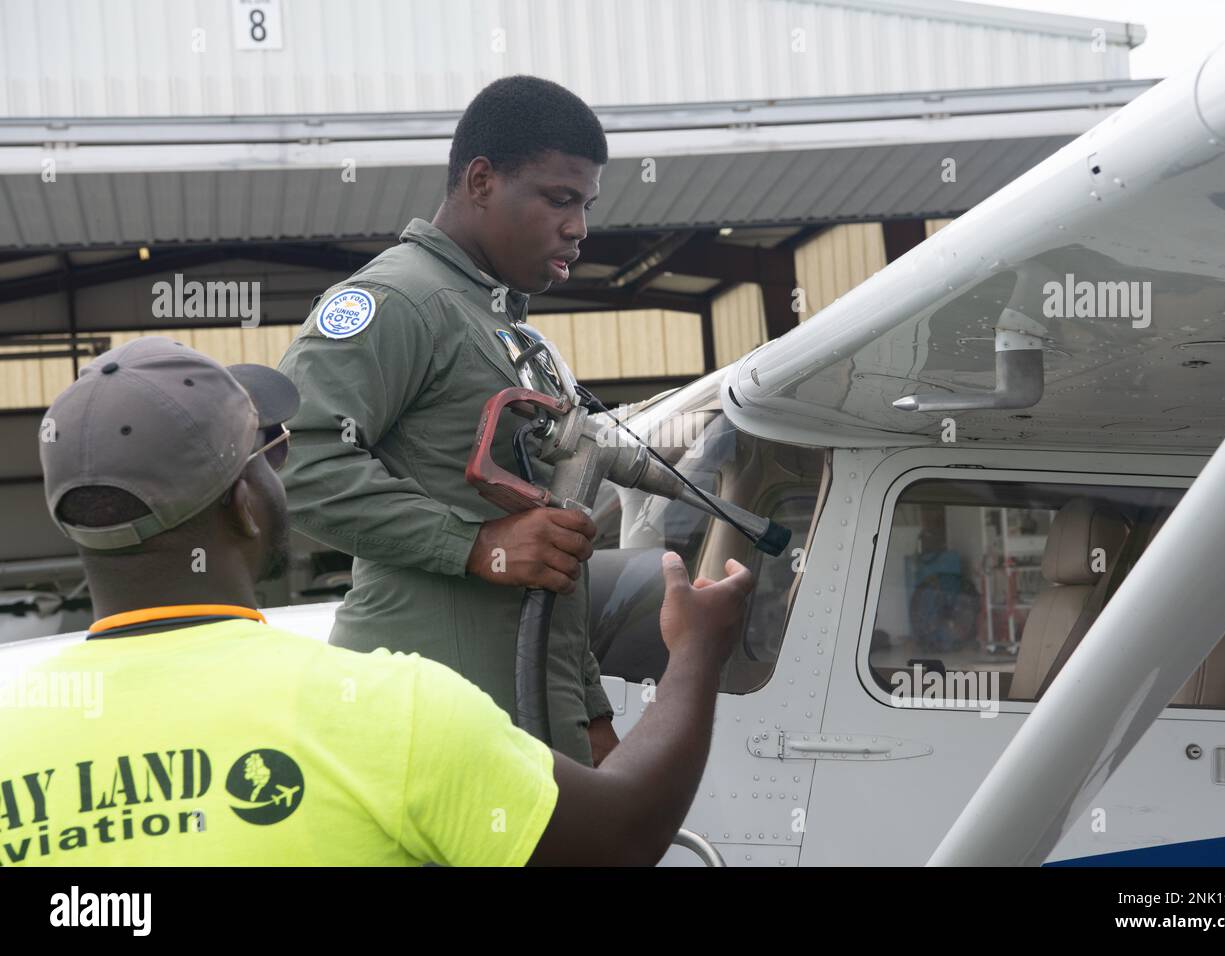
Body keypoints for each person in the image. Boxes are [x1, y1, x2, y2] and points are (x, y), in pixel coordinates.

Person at [4, 337, 752, 866]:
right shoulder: (388, 710)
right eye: (275, 455)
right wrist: (695, 654)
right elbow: (620, 838)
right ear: (246, 505)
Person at [277, 75, 619, 765]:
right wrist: (474, 543)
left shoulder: (501, 325)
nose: (578, 226)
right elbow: (299, 467)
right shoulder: (398, 300)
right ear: (483, 180)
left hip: (528, 720)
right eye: (560, 198)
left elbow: (544, 548)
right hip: (429, 730)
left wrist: (590, 713)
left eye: (585, 204)